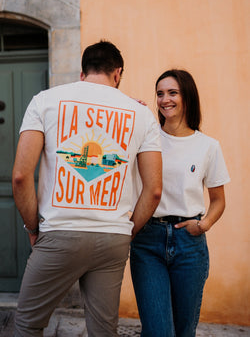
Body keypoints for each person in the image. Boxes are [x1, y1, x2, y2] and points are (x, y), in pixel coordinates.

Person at [12, 40, 162, 337]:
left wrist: (33, 228)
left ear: (82, 72)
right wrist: (126, 230)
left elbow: (20, 176)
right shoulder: (141, 114)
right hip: (113, 238)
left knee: (28, 325)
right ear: (118, 73)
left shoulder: (45, 100)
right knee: (104, 330)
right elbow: (154, 190)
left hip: (58, 232)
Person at [130, 69, 230, 337]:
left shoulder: (208, 146)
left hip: (189, 243)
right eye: (160, 93)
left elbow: (218, 200)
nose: (165, 100)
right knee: (158, 330)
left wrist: (204, 224)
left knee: (185, 330)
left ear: (187, 97)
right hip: (147, 240)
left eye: (172, 92)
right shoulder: (145, 137)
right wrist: (132, 113)